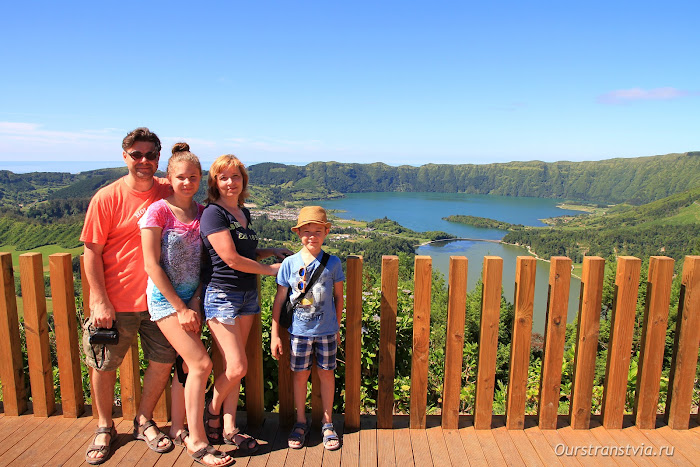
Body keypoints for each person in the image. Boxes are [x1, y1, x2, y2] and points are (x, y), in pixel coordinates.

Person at [81, 127, 175, 464]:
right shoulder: (107, 198)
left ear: (158, 158)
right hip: (116, 301)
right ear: (125, 157)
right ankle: (105, 427)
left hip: (159, 301)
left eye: (151, 154)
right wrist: (99, 300)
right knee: (104, 365)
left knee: (163, 361)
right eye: (137, 154)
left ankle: (143, 420)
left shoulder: (168, 190)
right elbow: (91, 253)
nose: (144, 161)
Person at [139, 143, 233, 467]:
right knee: (202, 365)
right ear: (169, 177)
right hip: (166, 303)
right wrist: (180, 307)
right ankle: (197, 441)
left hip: (194, 301)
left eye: (193, 177)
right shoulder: (158, 212)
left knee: (186, 368)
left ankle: (180, 427)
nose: (187, 182)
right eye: (181, 177)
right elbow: (151, 266)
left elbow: (209, 259)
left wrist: (193, 302)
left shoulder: (203, 212)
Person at [200, 154, 292, 452]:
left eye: (235, 176)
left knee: (232, 366)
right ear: (215, 182)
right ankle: (211, 409)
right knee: (238, 366)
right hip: (223, 296)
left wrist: (269, 251)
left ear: (243, 181)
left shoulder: (243, 212)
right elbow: (229, 258)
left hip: (247, 297)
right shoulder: (213, 214)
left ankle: (229, 428)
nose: (230, 182)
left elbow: (246, 253)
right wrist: (270, 271)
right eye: (223, 177)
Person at [270, 206, 345, 451]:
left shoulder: (333, 263)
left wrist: (337, 326)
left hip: (326, 332)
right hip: (299, 332)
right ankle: (300, 422)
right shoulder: (289, 264)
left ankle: (327, 422)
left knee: (326, 374)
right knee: (300, 377)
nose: (312, 235)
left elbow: (339, 298)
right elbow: (279, 300)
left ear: (326, 232)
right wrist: (274, 335)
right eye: (306, 230)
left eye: (317, 230)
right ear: (298, 233)